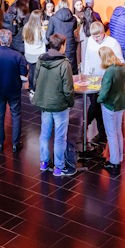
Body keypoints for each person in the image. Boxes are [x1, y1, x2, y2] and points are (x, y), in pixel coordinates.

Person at [33, 33, 77, 176]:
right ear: (62, 46)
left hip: (45, 104)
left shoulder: (41, 59)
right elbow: (68, 89)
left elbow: (35, 81)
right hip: (60, 105)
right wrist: (70, 103)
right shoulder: (64, 64)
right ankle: (59, 167)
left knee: (44, 134)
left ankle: (44, 162)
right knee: (59, 138)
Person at [0, 29, 29, 152]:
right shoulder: (17, 55)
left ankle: (0, 143)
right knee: (16, 115)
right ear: (10, 40)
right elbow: (23, 72)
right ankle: (16, 143)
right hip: (13, 89)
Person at [82, 21, 123, 140]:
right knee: (95, 105)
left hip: (107, 81)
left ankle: (86, 126)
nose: (95, 39)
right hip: (93, 80)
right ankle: (100, 131)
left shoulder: (113, 43)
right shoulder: (90, 40)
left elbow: (120, 62)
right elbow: (87, 58)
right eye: (93, 36)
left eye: (97, 36)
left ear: (103, 32)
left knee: (98, 105)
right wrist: (86, 73)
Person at [97, 46, 125, 172]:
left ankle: (114, 162)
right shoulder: (123, 67)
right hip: (121, 103)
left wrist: (99, 100)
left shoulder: (109, 71)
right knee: (118, 131)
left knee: (111, 134)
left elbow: (104, 92)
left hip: (110, 104)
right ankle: (119, 157)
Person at [46, 0, 78, 73]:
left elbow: (48, 36)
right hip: (70, 48)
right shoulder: (73, 18)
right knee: (70, 71)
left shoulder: (53, 18)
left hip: (57, 47)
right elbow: (74, 30)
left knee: (58, 71)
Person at [22, 12, 46, 95]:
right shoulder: (40, 29)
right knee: (38, 72)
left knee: (31, 71)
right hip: (38, 55)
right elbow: (46, 41)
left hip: (28, 53)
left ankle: (31, 88)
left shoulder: (26, 27)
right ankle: (37, 89)